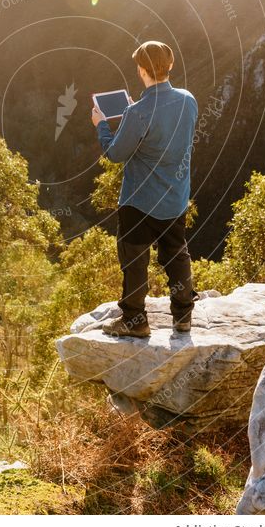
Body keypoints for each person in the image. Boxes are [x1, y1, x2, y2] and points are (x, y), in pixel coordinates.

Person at [91, 40, 199, 338]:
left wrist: (102, 124)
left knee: (135, 259)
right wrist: (134, 117)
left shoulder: (136, 113)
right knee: (176, 254)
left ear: (141, 71)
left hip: (139, 201)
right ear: (170, 65)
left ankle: (135, 321)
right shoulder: (188, 100)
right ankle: (183, 316)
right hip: (175, 197)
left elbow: (114, 154)